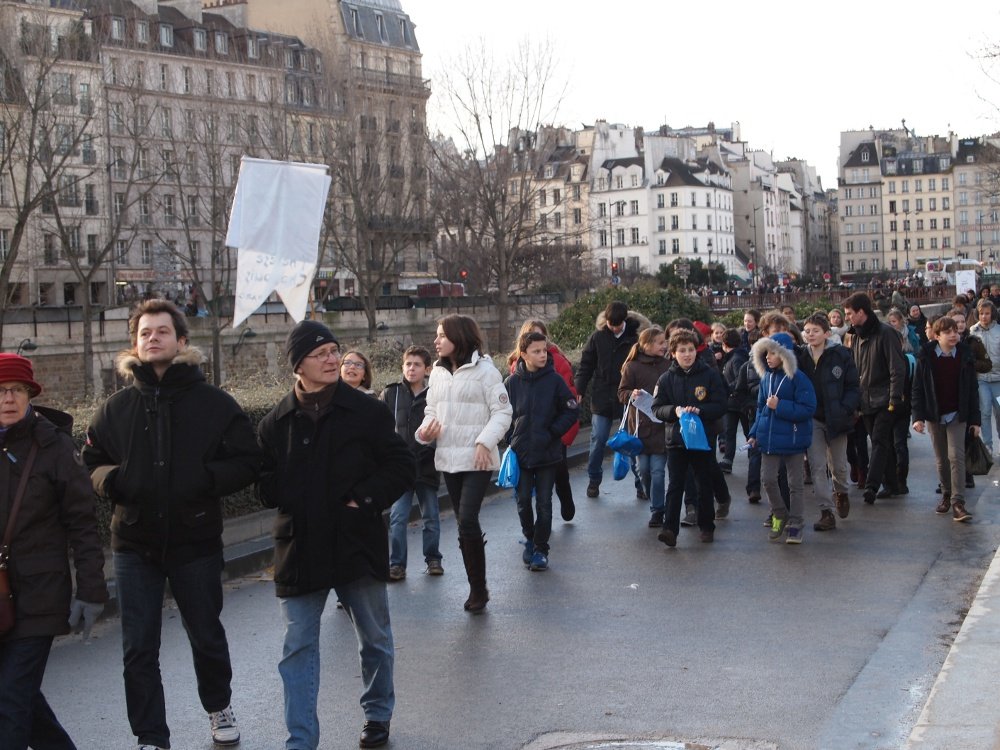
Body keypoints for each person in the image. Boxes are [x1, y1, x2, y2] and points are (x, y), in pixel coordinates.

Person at [83, 299, 261, 750]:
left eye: (162, 331)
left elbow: (247, 460)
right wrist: (115, 481)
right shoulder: (116, 408)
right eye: (145, 333)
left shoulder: (215, 404)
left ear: (182, 341)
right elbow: (91, 463)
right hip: (133, 542)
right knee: (138, 647)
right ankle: (151, 736)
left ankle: (219, 705)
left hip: (195, 539)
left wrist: (203, 481)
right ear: (135, 343)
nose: (152, 338)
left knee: (205, 634)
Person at [257, 320, 415, 750]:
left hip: (355, 539)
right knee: (297, 647)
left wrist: (363, 499)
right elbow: (264, 484)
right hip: (300, 544)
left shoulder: (366, 411)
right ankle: (300, 739)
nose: (332, 359)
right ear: (298, 365)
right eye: (321, 353)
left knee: (374, 637)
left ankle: (377, 714)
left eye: (334, 351)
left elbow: (401, 466)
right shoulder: (275, 423)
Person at [0, 354, 108, 750]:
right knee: (22, 701)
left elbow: (82, 523)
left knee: (10, 704)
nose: (8, 398)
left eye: (16, 390)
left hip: (40, 596)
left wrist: (91, 590)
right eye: (0, 391)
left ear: (30, 394)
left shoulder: (54, 447)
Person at [416, 315, 512, 613]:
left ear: (459, 337)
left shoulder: (486, 372)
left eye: (442, 335)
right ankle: (476, 585)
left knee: (468, 519)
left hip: (478, 458)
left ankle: (479, 589)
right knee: (462, 523)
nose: (436, 340)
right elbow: (431, 410)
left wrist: (485, 441)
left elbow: (503, 412)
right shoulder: (438, 373)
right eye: (436, 334)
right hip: (448, 458)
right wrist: (424, 431)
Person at [504, 331, 578, 571]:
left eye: (544, 350)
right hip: (522, 454)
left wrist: (552, 433)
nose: (542, 355)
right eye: (536, 351)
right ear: (523, 354)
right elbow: (502, 416)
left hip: (548, 454)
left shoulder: (555, 380)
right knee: (524, 501)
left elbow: (571, 409)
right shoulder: (512, 383)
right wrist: (511, 439)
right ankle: (530, 537)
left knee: (544, 503)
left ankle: (540, 549)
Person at [651, 329, 727, 547]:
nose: (687, 354)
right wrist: (674, 411)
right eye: (682, 350)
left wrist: (700, 411)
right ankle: (669, 529)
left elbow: (721, 405)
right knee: (676, 483)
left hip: (702, 438)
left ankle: (706, 526)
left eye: (691, 350)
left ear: (697, 351)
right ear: (673, 353)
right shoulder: (666, 379)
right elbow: (657, 408)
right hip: (676, 439)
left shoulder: (710, 374)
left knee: (703, 481)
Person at [748, 333, 817, 544]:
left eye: (773, 353)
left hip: (794, 440)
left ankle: (796, 523)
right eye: (766, 353)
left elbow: (808, 408)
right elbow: (760, 408)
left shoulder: (799, 378)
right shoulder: (766, 377)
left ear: (784, 354)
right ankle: (779, 513)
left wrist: (781, 407)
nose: (768, 357)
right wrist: (753, 433)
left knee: (795, 484)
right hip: (769, 439)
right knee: (768, 480)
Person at [911, 316, 981, 523]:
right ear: (937, 335)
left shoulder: (965, 356)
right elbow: (917, 389)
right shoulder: (926, 357)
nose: (953, 335)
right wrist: (918, 417)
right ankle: (946, 494)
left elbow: (972, 390)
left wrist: (975, 421)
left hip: (958, 414)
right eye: (948, 332)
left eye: (956, 331)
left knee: (956, 456)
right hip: (934, 414)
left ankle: (958, 502)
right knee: (941, 459)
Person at [381, 346, 442, 581]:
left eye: (417, 365)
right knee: (398, 517)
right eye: (408, 364)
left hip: (427, 464)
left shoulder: (435, 395)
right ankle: (397, 564)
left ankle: (433, 559)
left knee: (431, 516)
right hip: (400, 468)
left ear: (427, 369)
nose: (411, 369)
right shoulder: (391, 394)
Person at [575, 301, 646, 498]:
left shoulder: (634, 339)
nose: (614, 328)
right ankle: (594, 480)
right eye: (610, 324)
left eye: (618, 324)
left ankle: (640, 483)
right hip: (602, 395)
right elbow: (586, 365)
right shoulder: (597, 338)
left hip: (627, 395)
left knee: (631, 440)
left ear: (625, 321)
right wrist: (579, 387)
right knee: (598, 439)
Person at [843, 291, 906, 505]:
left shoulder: (886, 333)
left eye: (850, 313)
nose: (847, 317)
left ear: (862, 312)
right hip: (865, 399)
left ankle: (871, 485)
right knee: (883, 442)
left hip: (885, 398)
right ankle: (892, 484)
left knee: (879, 441)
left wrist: (894, 398)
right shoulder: (855, 336)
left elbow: (897, 368)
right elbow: (855, 370)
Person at [799, 314, 861, 531]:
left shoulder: (841, 354)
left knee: (839, 465)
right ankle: (826, 511)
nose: (811, 335)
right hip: (812, 417)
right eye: (807, 330)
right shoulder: (800, 356)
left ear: (826, 333)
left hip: (837, 417)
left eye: (815, 330)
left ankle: (841, 492)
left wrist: (846, 408)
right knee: (817, 466)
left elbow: (853, 386)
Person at [618, 326, 671, 527]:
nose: (664, 346)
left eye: (664, 342)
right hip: (640, 429)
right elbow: (621, 392)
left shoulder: (668, 365)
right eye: (660, 342)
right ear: (646, 344)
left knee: (658, 472)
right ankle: (655, 502)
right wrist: (631, 395)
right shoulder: (632, 367)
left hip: (661, 427)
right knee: (644, 471)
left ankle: (658, 510)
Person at [970, 300, 1000, 456]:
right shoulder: (972, 332)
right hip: (982, 379)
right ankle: (988, 446)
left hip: (998, 379)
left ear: (992, 314)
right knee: (986, 412)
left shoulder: (999, 331)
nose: (984, 316)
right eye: (981, 313)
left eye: (987, 313)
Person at [719, 328, 750, 474]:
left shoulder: (735, 358)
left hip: (738, 401)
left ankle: (752, 458)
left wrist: (727, 389)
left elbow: (740, 379)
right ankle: (728, 460)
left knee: (745, 432)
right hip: (734, 403)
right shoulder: (736, 356)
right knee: (731, 431)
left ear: (725, 344)